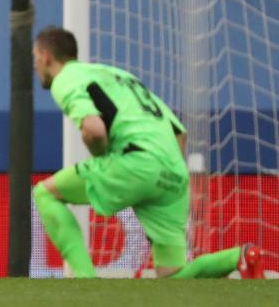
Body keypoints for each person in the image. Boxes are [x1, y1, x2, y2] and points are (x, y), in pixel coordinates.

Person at [32, 26, 264, 279]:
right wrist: (159, 176)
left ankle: (85, 281)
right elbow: (180, 134)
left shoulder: (66, 78)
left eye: (35, 58)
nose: (35, 66)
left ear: (45, 56)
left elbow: (94, 130)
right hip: (174, 172)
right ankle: (241, 256)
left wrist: (104, 158)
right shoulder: (119, 76)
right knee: (173, 276)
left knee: (45, 194)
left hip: (136, 163)